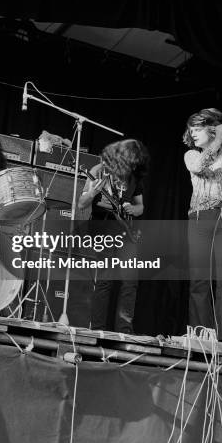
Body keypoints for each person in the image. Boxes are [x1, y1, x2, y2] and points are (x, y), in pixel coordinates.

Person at [78, 138, 149, 333]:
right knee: (105, 280)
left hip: (127, 231)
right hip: (103, 230)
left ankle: (125, 330)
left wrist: (133, 209)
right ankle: (98, 328)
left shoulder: (134, 177)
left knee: (130, 281)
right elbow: (81, 204)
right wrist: (92, 194)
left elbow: (140, 206)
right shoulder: (98, 170)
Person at [183, 108, 222, 343]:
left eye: (198, 129)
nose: (193, 134)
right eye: (191, 130)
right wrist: (216, 141)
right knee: (200, 279)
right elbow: (199, 168)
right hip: (200, 218)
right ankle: (200, 335)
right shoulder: (191, 155)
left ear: (212, 128)